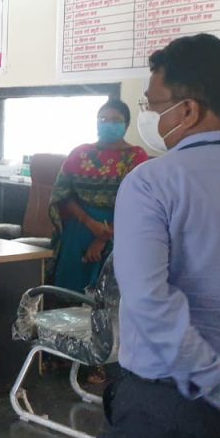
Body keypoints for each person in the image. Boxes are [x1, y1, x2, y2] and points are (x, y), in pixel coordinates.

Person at [91, 33, 220, 438]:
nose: (149, 118)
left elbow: (150, 302)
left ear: (189, 109)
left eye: (153, 105)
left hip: (170, 406)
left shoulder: (153, 182)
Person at [48, 98, 148, 293]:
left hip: (120, 231)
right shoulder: (80, 153)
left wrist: (103, 238)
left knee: (108, 294)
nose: (108, 124)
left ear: (126, 124)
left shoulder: (136, 156)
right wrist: (89, 222)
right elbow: (63, 194)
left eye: (115, 120)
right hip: (79, 228)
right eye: (102, 119)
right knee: (69, 291)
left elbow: (140, 204)